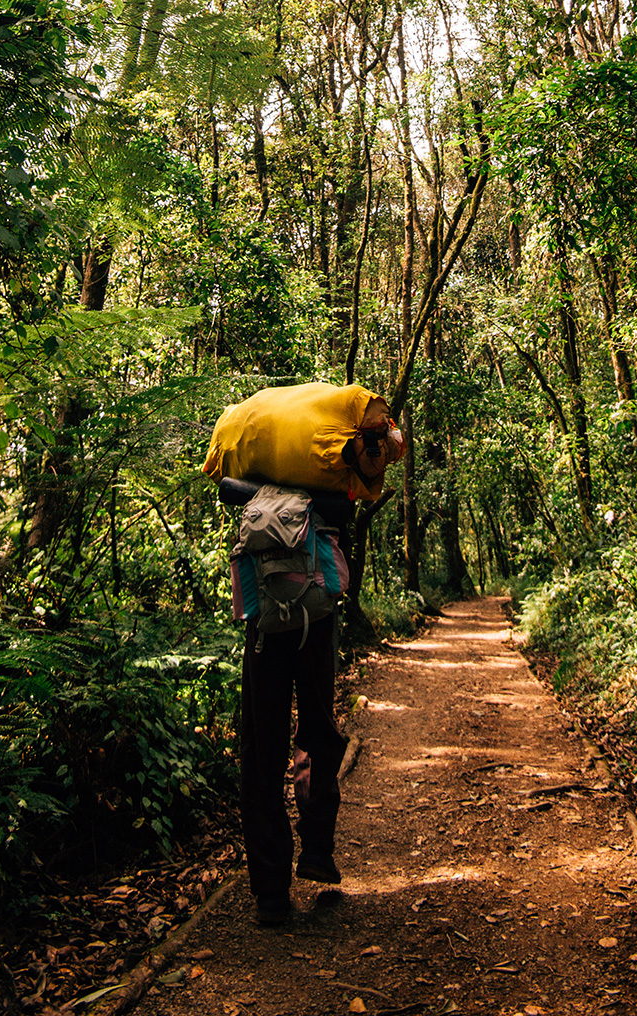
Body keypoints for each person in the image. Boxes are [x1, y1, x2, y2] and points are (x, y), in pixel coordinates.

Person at [203, 383, 405, 925]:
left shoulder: (249, 489)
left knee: (260, 746)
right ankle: (316, 850)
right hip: (316, 621)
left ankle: (270, 892)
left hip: (263, 626)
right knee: (317, 730)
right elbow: (374, 466)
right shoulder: (336, 481)